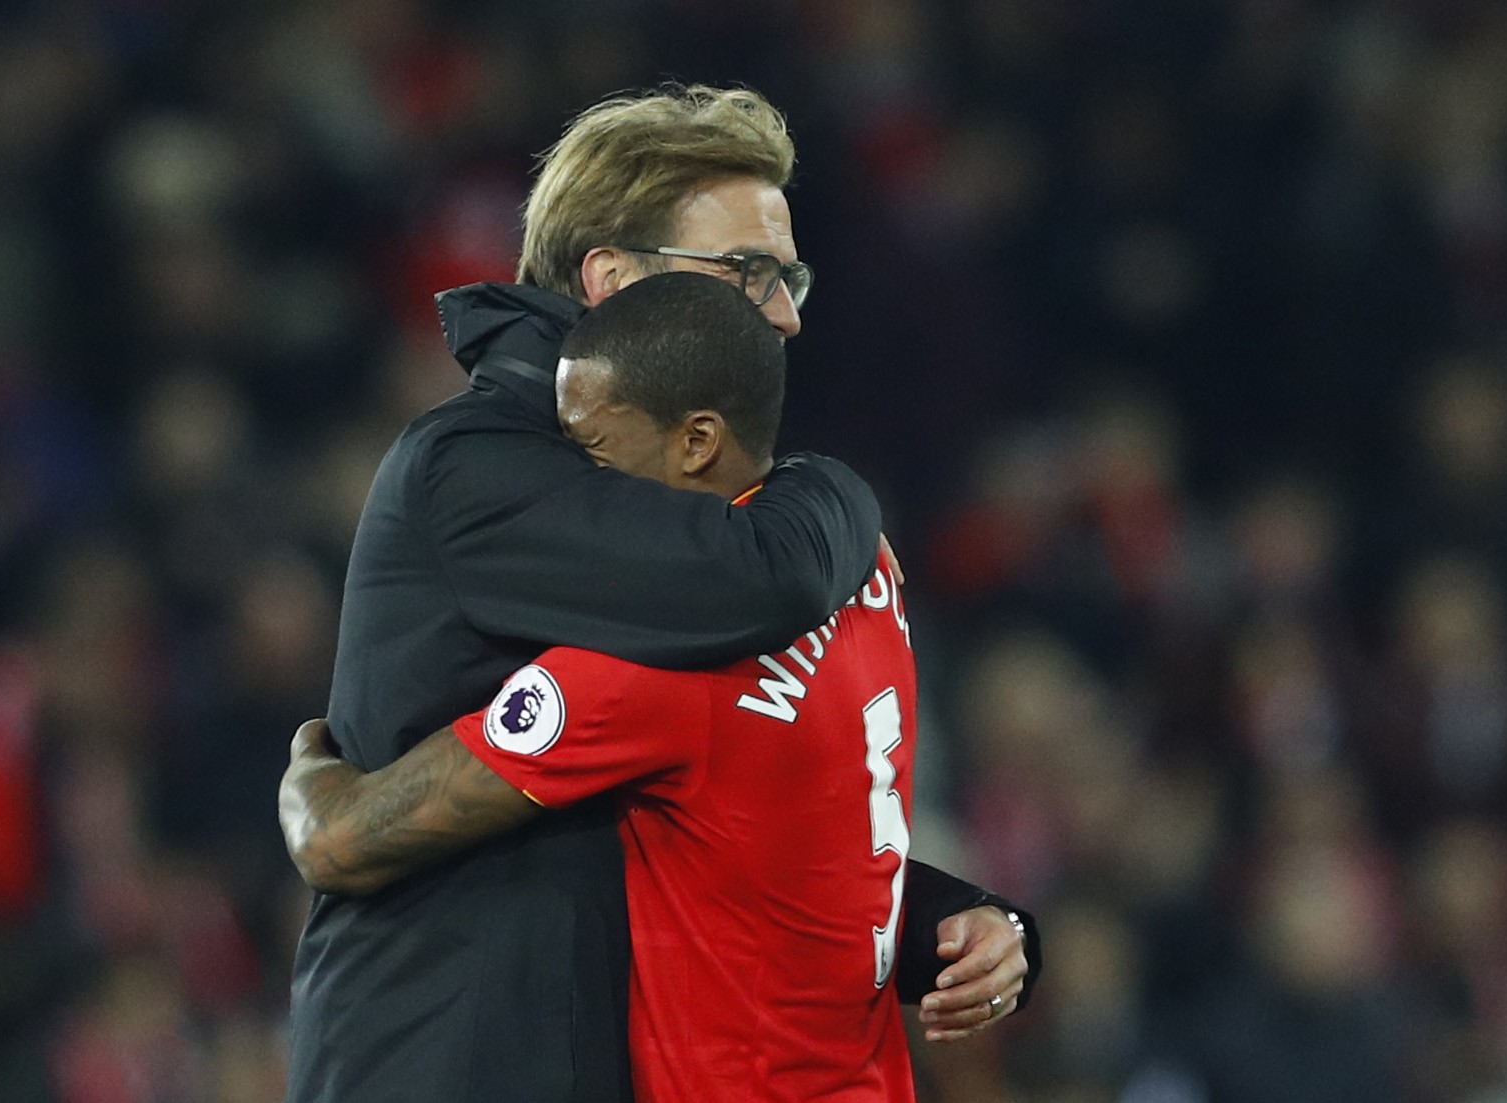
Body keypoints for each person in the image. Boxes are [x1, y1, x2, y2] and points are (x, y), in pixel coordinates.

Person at [286, 84, 1037, 1103]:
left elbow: (746, 814)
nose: (785, 312)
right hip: (447, 1057)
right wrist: (841, 490)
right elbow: (763, 577)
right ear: (611, 278)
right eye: (748, 271)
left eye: (791, 275)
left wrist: (956, 920)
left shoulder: (715, 521)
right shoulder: (478, 467)